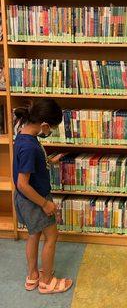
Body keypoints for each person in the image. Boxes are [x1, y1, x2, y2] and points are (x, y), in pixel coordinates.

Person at [13, 99, 72, 294]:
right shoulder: (30, 146)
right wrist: (45, 204)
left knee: (34, 234)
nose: (51, 131)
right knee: (52, 236)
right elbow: (23, 183)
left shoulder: (23, 136)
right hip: (35, 199)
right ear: (44, 125)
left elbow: (28, 167)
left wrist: (46, 161)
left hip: (25, 200)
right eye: (52, 128)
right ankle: (47, 281)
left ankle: (33, 276)